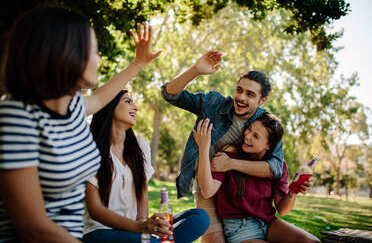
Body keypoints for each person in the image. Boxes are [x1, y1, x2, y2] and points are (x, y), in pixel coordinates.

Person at [0, 6, 161, 242]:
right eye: (93, 51)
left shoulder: (74, 106)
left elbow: (101, 97)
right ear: (64, 53)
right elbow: (33, 227)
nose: (98, 59)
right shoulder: (16, 116)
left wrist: (138, 63)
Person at [161, 51, 284, 242]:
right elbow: (170, 94)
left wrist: (230, 164)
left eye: (250, 94)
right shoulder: (214, 104)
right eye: (239, 90)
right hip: (208, 186)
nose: (241, 97)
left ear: (262, 100)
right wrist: (195, 70)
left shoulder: (266, 123)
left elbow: (275, 167)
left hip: (239, 193)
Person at [83, 90, 209, 243]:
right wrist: (140, 227)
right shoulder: (90, 149)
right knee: (152, 242)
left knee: (200, 218)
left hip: (136, 228)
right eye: (128, 101)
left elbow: (142, 196)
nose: (135, 107)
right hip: (99, 231)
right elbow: (95, 210)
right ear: (109, 106)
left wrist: (146, 225)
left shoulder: (140, 147)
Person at [193, 113, 320, 243]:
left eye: (256, 136)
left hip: (269, 223)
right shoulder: (231, 154)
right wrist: (204, 148)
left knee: (311, 241)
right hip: (240, 227)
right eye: (249, 129)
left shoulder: (277, 166)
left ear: (268, 145)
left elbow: (282, 210)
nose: (247, 136)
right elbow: (207, 190)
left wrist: (293, 192)